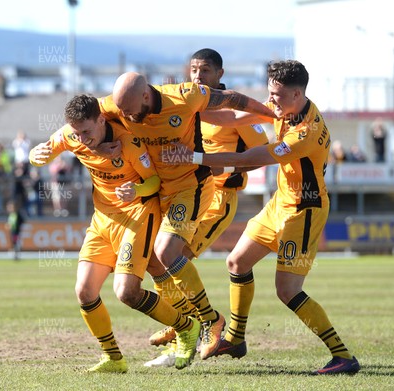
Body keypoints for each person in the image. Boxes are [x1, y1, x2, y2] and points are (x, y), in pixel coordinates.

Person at [162, 60, 360, 375]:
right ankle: (235, 338)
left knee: (287, 291)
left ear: (298, 94)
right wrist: (188, 110)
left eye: (278, 95)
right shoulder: (283, 106)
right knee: (237, 262)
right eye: (270, 93)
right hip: (280, 203)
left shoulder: (306, 132)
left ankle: (343, 356)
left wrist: (197, 157)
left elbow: (249, 157)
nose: (272, 100)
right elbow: (231, 116)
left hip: (305, 211)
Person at [98, 71, 276, 361]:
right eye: (122, 113)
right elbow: (83, 120)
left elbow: (232, 101)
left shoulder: (185, 96)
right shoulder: (118, 106)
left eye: (130, 111)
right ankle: (184, 324)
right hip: (159, 191)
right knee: (157, 262)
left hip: (192, 186)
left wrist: (271, 114)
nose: (128, 118)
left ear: (145, 95)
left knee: (168, 251)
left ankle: (210, 320)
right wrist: (98, 143)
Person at [29, 94, 202, 372]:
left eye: (87, 131)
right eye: (76, 133)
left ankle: (187, 327)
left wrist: (136, 190)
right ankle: (113, 358)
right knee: (84, 291)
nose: (82, 139)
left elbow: (153, 181)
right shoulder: (72, 135)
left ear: (100, 120)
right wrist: (35, 156)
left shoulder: (129, 142)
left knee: (126, 292)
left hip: (138, 215)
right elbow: (43, 152)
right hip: (102, 219)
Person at [144, 48, 269, 368]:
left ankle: (194, 328)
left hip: (218, 200)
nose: (199, 76)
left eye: (206, 71)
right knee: (158, 259)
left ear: (220, 75)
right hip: (185, 193)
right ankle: (183, 323)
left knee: (174, 257)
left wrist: (223, 169)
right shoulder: (190, 105)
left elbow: (263, 155)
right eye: (194, 70)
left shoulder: (234, 113)